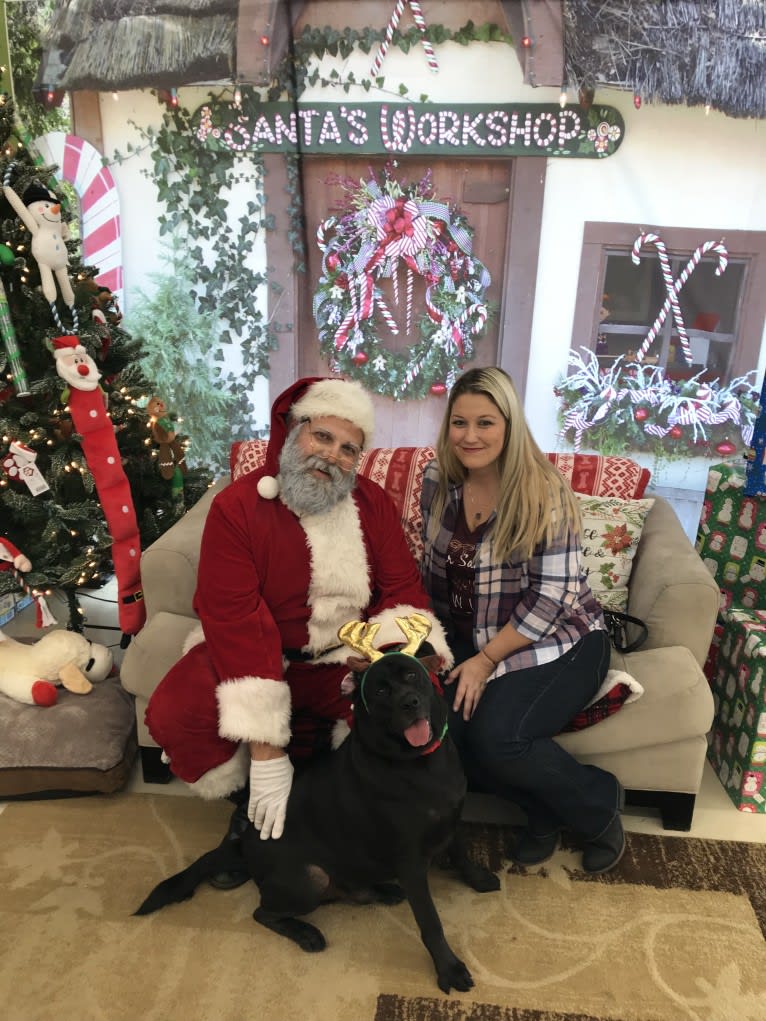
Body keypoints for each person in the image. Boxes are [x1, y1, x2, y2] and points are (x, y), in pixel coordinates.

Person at [145, 376, 452, 884]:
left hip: (342, 656)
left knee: (408, 707)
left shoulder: (371, 504)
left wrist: (388, 655)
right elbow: (235, 616)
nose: (332, 456)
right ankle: (251, 809)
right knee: (178, 710)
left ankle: (343, 821)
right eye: (322, 436)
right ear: (292, 431)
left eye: (349, 448)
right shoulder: (237, 507)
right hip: (252, 654)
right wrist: (265, 753)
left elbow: (402, 591)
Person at [420, 366, 625, 874]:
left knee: (497, 737)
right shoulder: (438, 481)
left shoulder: (543, 490)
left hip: (563, 639)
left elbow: (553, 596)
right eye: (460, 423)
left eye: (485, 423)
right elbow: (432, 571)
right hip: (473, 640)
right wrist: (432, 646)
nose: (470, 436)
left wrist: (485, 661)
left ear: (510, 425)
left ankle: (599, 804)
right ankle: (542, 814)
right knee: (443, 736)